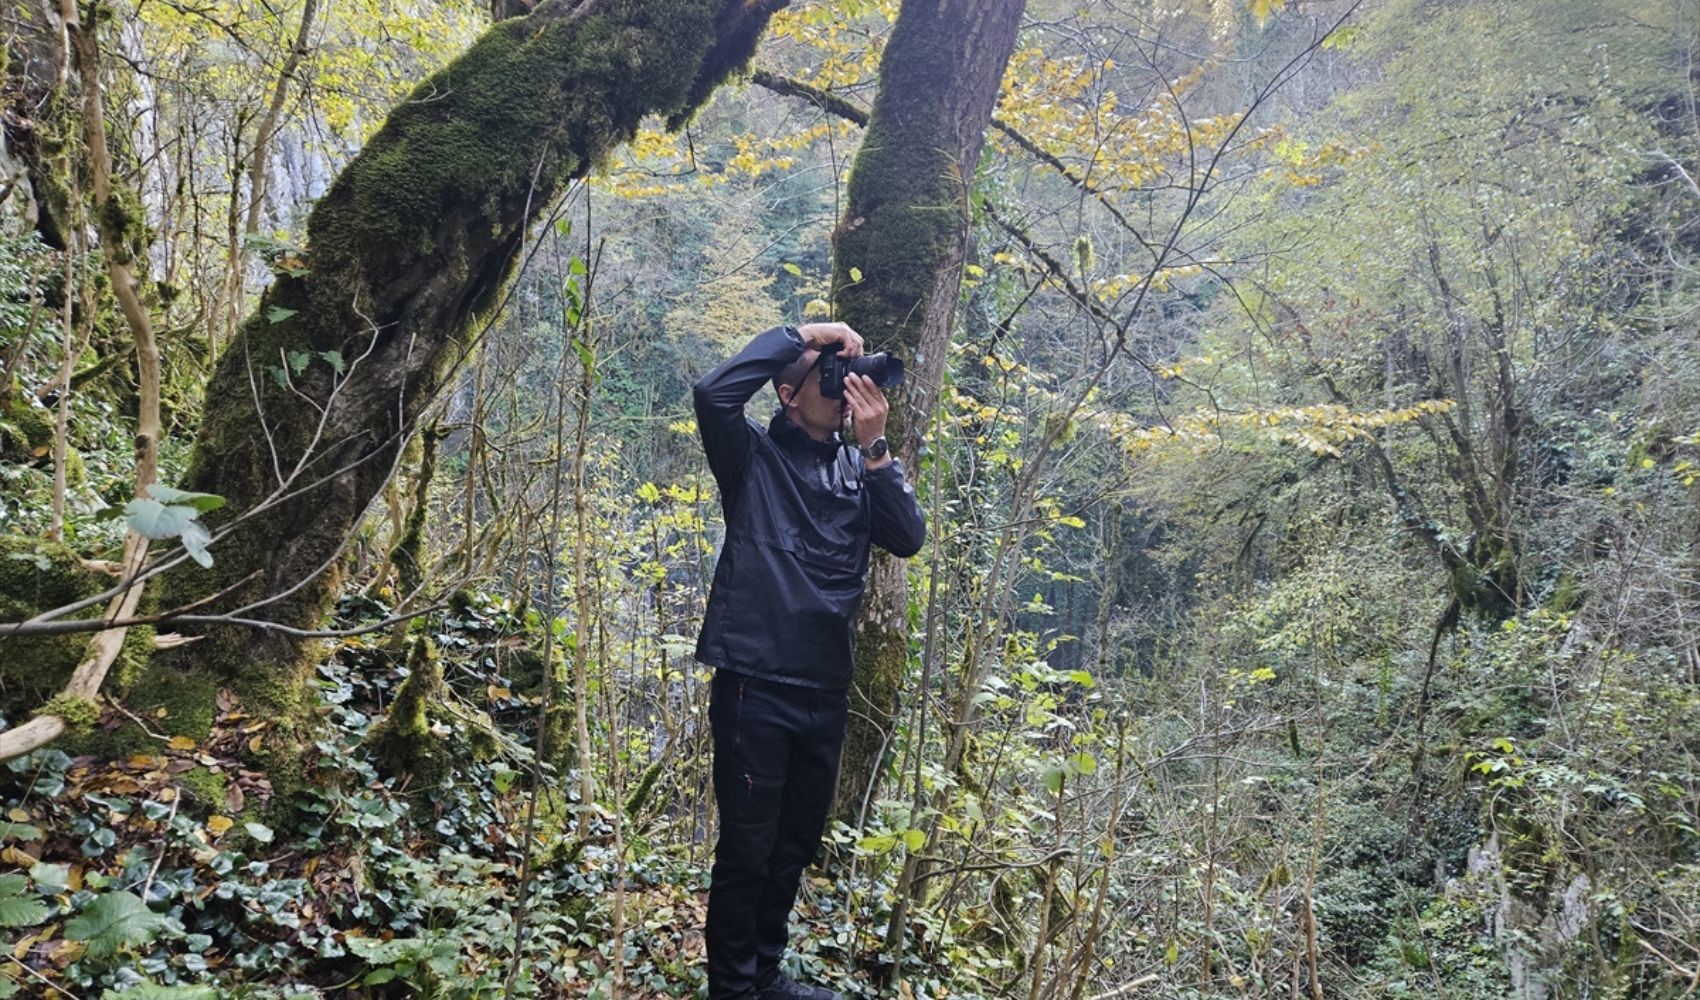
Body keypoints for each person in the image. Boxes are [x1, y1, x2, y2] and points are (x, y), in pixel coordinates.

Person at [692, 322, 926, 1000]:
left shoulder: (860, 468)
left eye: (850, 375)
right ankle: (733, 989)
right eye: (830, 377)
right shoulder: (751, 460)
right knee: (747, 850)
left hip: (825, 688)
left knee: (793, 845)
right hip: (755, 684)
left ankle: (764, 973)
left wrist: (877, 447)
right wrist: (802, 333)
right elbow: (714, 394)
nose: (846, 388)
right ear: (790, 395)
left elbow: (907, 537)